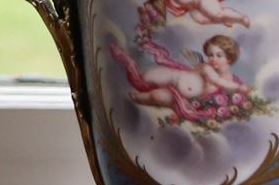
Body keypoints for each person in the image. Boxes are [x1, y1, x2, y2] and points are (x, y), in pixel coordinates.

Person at [106, 31, 254, 126]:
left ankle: (140, 98)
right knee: (146, 79)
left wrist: (239, 88)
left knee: (157, 97)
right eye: (210, 54)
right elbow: (218, 82)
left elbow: (220, 88)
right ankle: (129, 65)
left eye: (218, 55)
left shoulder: (230, 79)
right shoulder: (208, 69)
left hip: (181, 96)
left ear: (229, 59)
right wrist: (239, 88)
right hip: (175, 78)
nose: (212, 58)